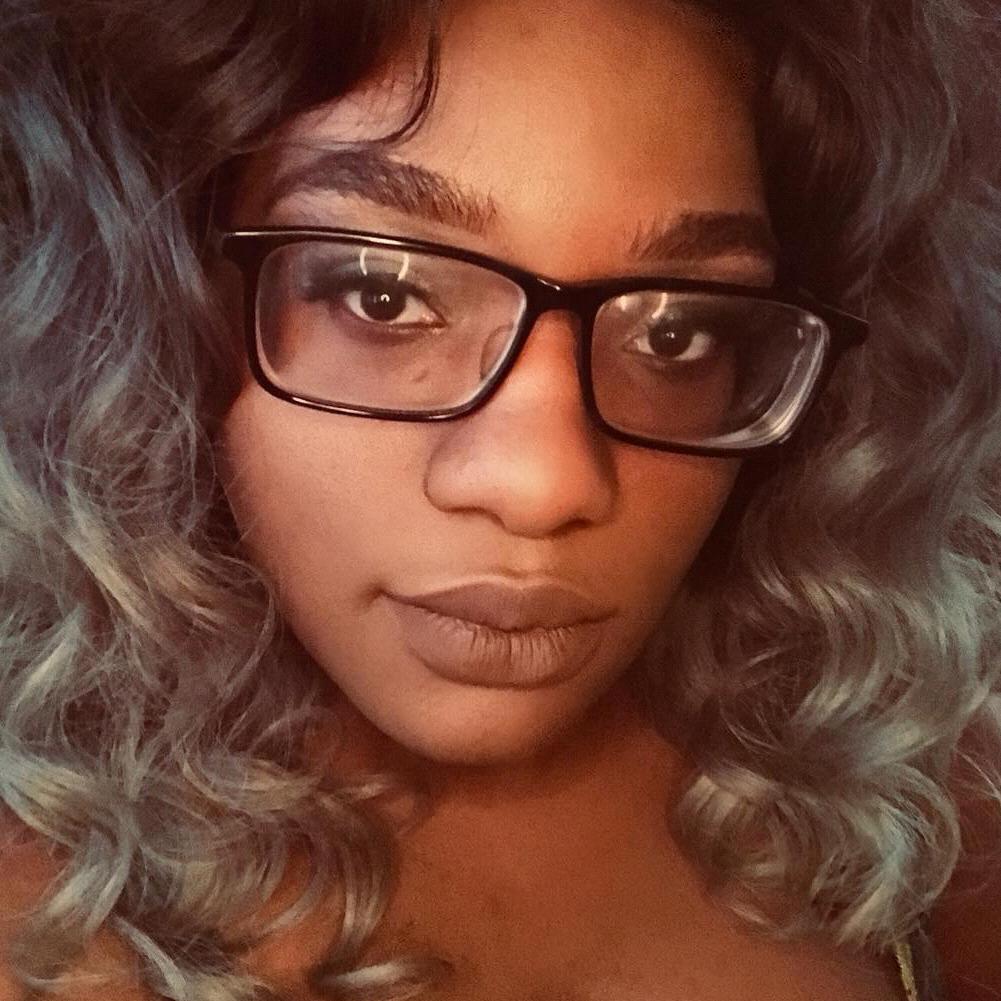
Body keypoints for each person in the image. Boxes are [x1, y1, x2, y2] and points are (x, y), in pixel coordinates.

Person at [1, 0, 999, 999]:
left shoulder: (912, 770)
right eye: (382, 292)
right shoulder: (46, 912)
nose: (544, 486)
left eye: (673, 331)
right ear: (165, 302)